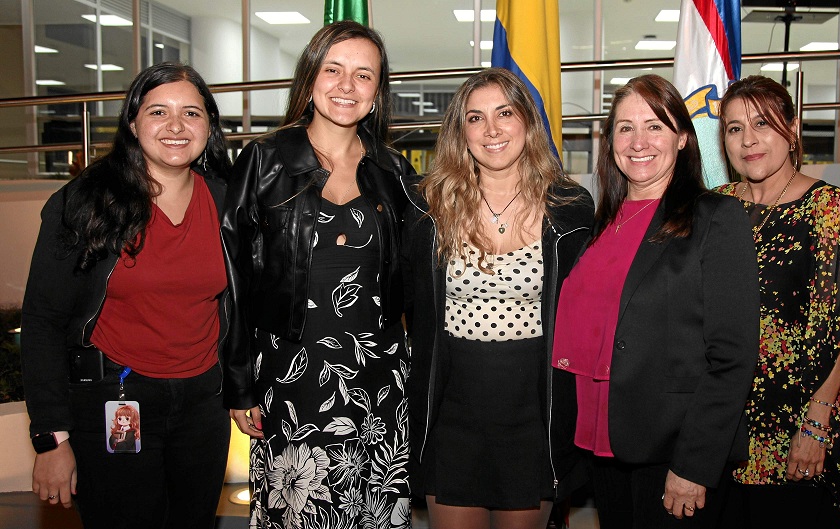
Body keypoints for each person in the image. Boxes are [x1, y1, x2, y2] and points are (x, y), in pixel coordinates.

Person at [21, 62, 233, 529]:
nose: (176, 126)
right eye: (158, 111)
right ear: (133, 123)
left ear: (209, 126)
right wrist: (50, 439)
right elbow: (42, 322)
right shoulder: (83, 203)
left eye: (192, 114)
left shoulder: (228, 203)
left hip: (204, 404)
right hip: (113, 398)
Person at [221, 20, 416, 528]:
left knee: (372, 512)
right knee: (300, 510)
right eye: (333, 69)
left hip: (380, 377)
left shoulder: (394, 171)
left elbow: (414, 274)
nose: (347, 86)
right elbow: (233, 277)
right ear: (310, 79)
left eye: (363, 75)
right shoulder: (263, 161)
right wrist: (239, 383)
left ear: (377, 93)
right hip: (293, 376)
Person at [551, 74, 760, 528]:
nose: (638, 141)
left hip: (671, 453)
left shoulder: (716, 220)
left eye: (655, 126)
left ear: (683, 138)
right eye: (625, 127)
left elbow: (733, 356)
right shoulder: (600, 224)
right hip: (601, 445)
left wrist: (693, 465)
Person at [403, 67, 594, 529]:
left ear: (527, 121)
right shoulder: (427, 207)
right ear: (460, 132)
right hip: (451, 415)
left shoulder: (571, 208)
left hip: (534, 416)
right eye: (475, 118)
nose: (491, 130)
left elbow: (585, 317)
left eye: (504, 113)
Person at [716, 75, 840, 528]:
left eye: (761, 123)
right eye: (734, 128)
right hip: (724, 423)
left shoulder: (827, 207)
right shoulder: (716, 207)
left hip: (796, 424)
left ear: (791, 129)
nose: (748, 139)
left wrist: (816, 425)